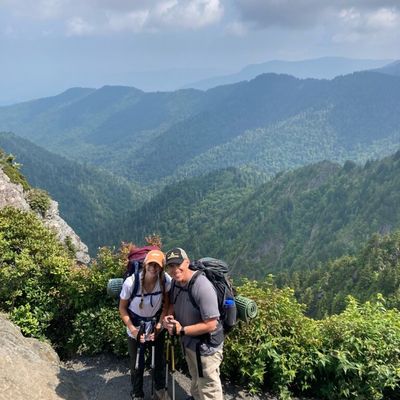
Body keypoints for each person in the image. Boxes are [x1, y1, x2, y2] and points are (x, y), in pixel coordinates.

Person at [163, 247, 224, 400]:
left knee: (209, 387)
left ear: (187, 262)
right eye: (171, 266)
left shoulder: (202, 286)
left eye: (178, 264)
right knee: (196, 377)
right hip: (189, 344)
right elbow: (172, 304)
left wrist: (182, 330)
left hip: (206, 347)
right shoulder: (176, 283)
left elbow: (211, 324)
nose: (175, 269)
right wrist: (169, 317)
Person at [119, 249, 172, 400]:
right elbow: (122, 308)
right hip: (136, 327)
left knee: (159, 360)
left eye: (157, 265)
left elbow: (166, 305)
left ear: (161, 267)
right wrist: (133, 330)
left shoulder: (165, 280)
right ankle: (137, 393)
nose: (153, 268)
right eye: (151, 264)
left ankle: (160, 390)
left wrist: (160, 325)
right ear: (145, 264)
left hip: (156, 325)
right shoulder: (131, 282)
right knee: (137, 362)